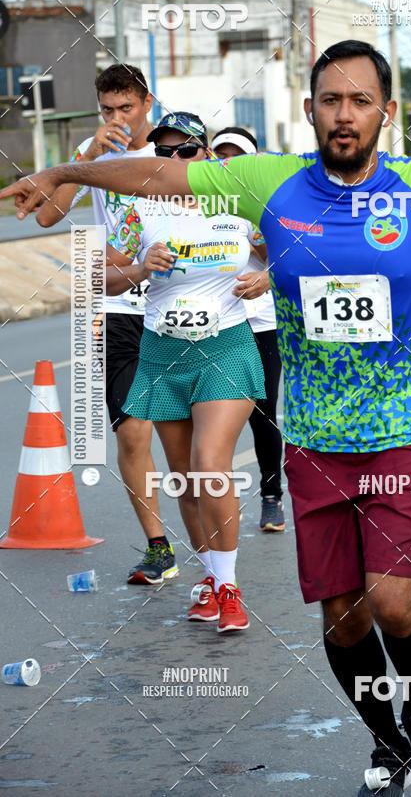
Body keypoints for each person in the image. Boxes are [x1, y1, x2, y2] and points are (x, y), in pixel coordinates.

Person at [8, 39, 411, 797]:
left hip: (404, 431)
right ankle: (387, 744)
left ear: (387, 112)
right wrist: (65, 170)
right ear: (313, 109)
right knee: (344, 621)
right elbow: (159, 173)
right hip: (314, 440)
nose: (344, 115)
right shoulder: (272, 182)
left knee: (392, 600)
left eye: (360, 101)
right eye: (330, 100)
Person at [105, 112, 266, 633]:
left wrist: (265, 279)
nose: (172, 161)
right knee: (186, 482)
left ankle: (229, 586)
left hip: (226, 346)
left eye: (184, 151)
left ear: (206, 155)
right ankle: (208, 577)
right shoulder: (140, 208)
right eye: (163, 152)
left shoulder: (238, 201)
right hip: (163, 352)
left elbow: (291, 253)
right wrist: (137, 267)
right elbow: (102, 277)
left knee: (209, 462)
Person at [35, 64, 178, 586]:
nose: (118, 119)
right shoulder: (93, 156)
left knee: (182, 439)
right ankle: (159, 546)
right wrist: (86, 157)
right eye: (108, 110)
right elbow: (47, 217)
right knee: (132, 434)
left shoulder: (171, 150)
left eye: (127, 108)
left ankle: (217, 560)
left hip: (173, 304)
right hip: (116, 309)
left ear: (148, 103)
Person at [212, 127, 285, 533]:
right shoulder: (200, 205)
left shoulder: (260, 207)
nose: (227, 164)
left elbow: (284, 259)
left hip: (259, 322)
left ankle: (272, 497)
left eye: (235, 157)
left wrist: (264, 262)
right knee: (209, 417)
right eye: (220, 156)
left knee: (262, 413)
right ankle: (213, 504)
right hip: (215, 324)